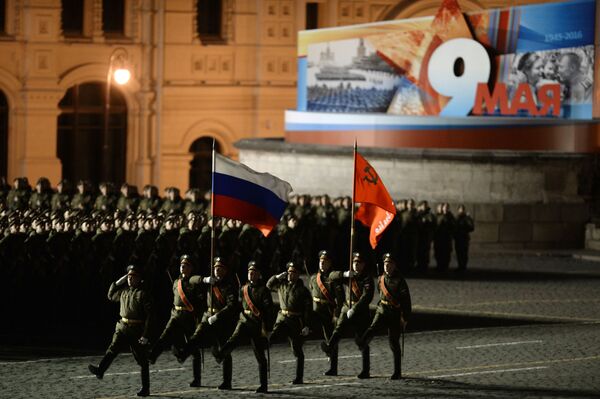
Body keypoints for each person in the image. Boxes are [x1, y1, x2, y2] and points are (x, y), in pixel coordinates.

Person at [88, 265, 153, 397]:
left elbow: (151, 316)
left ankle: (145, 388)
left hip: (136, 330)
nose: (130, 279)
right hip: (122, 327)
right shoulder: (124, 291)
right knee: (112, 349)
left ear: (139, 278)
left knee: (142, 360)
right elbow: (110, 295)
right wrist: (119, 281)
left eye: (133, 276)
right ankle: (100, 370)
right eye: (128, 276)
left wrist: (146, 335)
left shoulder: (143, 294)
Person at [175, 257, 239, 390]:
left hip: (221, 321)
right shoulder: (210, 282)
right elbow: (196, 289)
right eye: (215, 268)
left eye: (220, 268)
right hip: (207, 317)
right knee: (195, 338)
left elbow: (231, 305)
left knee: (222, 350)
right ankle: (185, 360)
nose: (217, 270)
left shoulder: (229, 286)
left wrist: (217, 316)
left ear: (225, 270)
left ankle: (227, 381)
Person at [215, 261, 273, 393]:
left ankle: (263, 385)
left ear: (259, 274)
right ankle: (221, 354)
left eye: (253, 272)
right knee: (234, 338)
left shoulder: (264, 290)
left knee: (259, 355)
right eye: (249, 272)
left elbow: (269, 311)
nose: (251, 274)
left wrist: (267, 328)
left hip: (257, 324)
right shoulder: (243, 289)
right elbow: (239, 306)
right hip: (244, 320)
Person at [148, 255, 205, 387]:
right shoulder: (175, 282)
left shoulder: (193, 281)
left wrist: (199, 315)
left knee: (194, 348)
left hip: (189, 317)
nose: (183, 267)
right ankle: (153, 356)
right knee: (166, 335)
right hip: (176, 314)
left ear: (191, 268)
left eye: (186, 265)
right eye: (181, 265)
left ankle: (197, 379)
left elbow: (200, 299)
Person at [320, 252, 374, 379]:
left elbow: (367, 297)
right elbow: (331, 276)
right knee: (337, 331)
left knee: (361, 340)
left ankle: (365, 370)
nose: (356, 265)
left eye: (359, 263)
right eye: (354, 262)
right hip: (346, 308)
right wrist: (343, 274)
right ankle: (329, 350)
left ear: (363, 264)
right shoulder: (349, 275)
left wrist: (354, 309)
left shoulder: (367, 278)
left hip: (360, 311)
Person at [358, 253, 411, 379]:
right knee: (371, 329)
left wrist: (405, 318)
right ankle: (362, 345)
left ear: (394, 265)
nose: (386, 266)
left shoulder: (400, 280)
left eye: (389, 264)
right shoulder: (381, 278)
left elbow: (406, 301)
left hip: (394, 313)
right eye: (385, 264)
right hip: (382, 310)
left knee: (393, 342)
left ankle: (397, 372)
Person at [266, 261, 312, 384]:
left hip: (295, 321)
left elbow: (308, 309)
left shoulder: (303, 290)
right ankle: (265, 347)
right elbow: (268, 286)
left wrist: (307, 325)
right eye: (289, 272)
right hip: (281, 318)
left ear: (298, 274)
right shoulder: (282, 285)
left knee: (297, 349)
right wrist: (276, 277)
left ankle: (299, 377)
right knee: (273, 336)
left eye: (293, 272)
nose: (290, 274)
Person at [308, 250, 343, 376]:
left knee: (330, 338)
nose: (322, 263)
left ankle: (333, 368)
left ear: (330, 263)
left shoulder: (333, 278)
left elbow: (340, 299)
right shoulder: (313, 278)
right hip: (317, 311)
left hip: (329, 311)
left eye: (325, 261)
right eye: (321, 261)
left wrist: (337, 315)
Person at [453, 205, 474, 272]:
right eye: (460, 209)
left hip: (464, 238)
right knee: (458, 253)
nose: (461, 210)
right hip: (458, 238)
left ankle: (463, 266)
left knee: (464, 253)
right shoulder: (457, 218)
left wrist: (469, 219)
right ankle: (460, 266)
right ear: (458, 210)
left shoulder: (466, 218)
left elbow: (471, 228)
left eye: (462, 209)